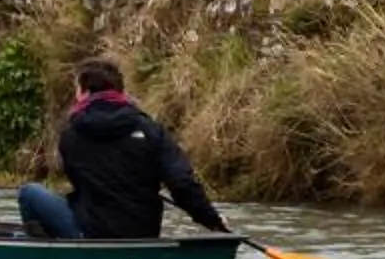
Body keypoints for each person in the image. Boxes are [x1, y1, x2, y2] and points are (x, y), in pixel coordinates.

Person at [15, 58, 229, 241]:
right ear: (120, 91)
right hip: (143, 234)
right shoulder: (151, 129)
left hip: (91, 234)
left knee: (29, 193)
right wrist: (212, 221)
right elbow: (182, 183)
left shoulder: (71, 133)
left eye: (77, 90)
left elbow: (76, 178)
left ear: (85, 92)